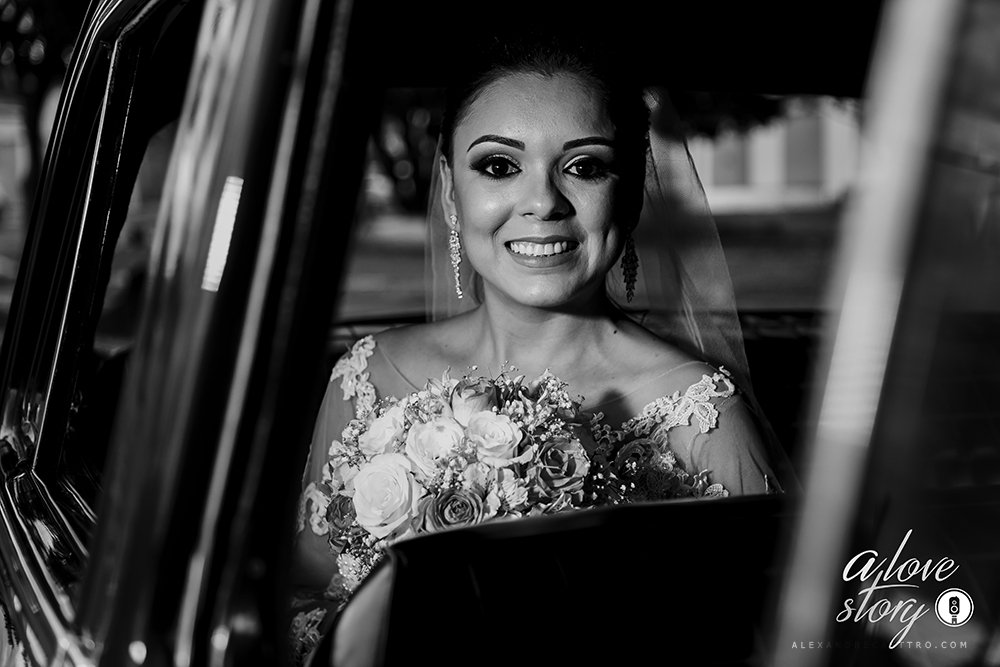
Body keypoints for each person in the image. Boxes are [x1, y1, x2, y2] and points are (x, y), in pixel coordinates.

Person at [288, 36, 788, 664]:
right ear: (450, 191)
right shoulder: (365, 377)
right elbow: (309, 597)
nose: (543, 202)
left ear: (632, 192)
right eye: (499, 166)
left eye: (585, 167)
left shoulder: (702, 417)